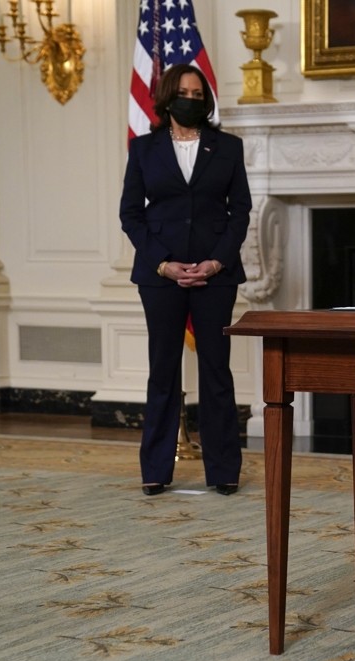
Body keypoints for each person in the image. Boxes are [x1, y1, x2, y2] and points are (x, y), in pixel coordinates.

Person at [119, 64, 252, 497]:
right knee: (163, 370)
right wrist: (162, 263)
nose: (190, 99)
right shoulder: (143, 149)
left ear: (206, 99)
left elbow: (241, 212)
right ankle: (156, 469)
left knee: (216, 369)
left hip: (216, 275)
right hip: (160, 276)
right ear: (166, 98)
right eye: (183, 93)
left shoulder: (229, 148)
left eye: (198, 93)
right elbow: (131, 215)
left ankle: (224, 471)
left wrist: (216, 262)